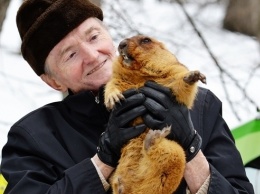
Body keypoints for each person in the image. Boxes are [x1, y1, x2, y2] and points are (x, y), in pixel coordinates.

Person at [0, 0, 254, 193]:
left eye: (94, 36)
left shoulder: (201, 105)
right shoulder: (33, 138)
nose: (92, 55)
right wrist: (102, 160)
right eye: (70, 55)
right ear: (53, 81)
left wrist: (190, 148)